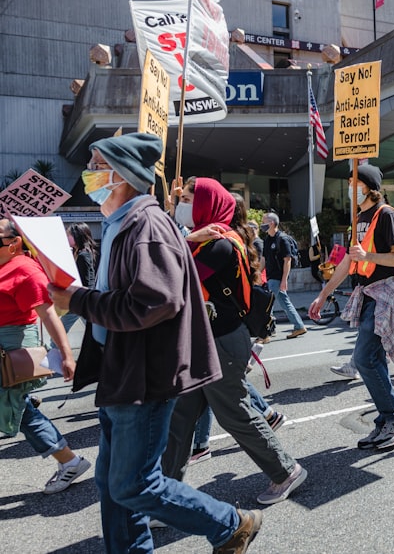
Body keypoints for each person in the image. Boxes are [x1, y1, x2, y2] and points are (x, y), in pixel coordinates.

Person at [49, 133, 261, 554]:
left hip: (144, 380)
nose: (88, 174)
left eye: (96, 165)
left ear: (122, 175)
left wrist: (78, 299)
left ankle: (229, 523)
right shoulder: (121, 222)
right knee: (113, 484)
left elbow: (155, 301)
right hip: (122, 373)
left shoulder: (145, 225)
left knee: (131, 485)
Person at [162, 176, 306, 505]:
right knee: (180, 416)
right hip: (209, 339)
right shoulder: (208, 240)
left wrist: (184, 239)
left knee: (234, 413)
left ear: (205, 205)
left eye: (187, 199)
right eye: (182, 199)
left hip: (222, 342)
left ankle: (286, 472)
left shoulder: (217, 243)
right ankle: (165, 494)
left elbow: (172, 276)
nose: (183, 204)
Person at [308, 164, 394, 449]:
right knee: (371, 359)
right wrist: (323, 295)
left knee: (365, 358)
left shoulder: (386, 214)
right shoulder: (358, 217)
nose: (350, 188)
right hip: (367, 294)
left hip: (384, 294)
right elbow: (348, 262)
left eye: (354, 183)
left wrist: (368, 254)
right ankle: (388, 419)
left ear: (368, 186)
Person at [0, 219, 91, 494]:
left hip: (11, 347)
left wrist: (66, 355)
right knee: (20, 408)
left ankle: (70, 461)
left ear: (14, 244)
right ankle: (69, 461)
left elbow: (49, 315)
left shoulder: (26, 270)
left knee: (20, 409)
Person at [261, 212, 308, 340]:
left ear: (271, 223)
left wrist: (284, 280)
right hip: (271, 277)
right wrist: (258, 273)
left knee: (267, 305)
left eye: (263, 222)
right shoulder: (267, 240)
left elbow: (287, 261)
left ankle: (265, 334)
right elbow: (264, 259)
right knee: (284, 303)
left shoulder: (282, 239)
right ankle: (299, 326)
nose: (261, 225)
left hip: (277, 277)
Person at [62, 222, 98, 333]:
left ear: (77, 236)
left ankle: (55, 347)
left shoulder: (84, 255)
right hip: (82, 297)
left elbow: (88, 280)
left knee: (63, 325)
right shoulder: (78, 252)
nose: (66, 237)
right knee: (92, 327)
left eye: (68, 235)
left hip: (81, 298)